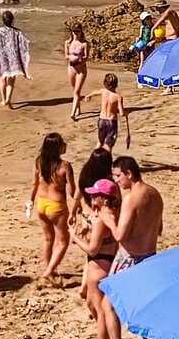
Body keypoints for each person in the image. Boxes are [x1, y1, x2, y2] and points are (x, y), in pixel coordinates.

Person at [100, 157, 164, 339]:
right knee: (146, 305)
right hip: (150, 255)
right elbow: (159, 228)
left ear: (129, 174)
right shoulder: (154, 194)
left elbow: (120, 235)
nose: (117, 181)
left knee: (108, 304)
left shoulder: (131, 198)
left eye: (118, 176)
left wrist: (108, 219)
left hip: (129, 257)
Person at [28, 132, 75, 284]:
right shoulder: (65, 166)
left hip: (41, 203)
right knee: (63, 241)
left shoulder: (39, 162)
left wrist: (30, 201)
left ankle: (50, 269)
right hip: (56, 206)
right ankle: (48, 272)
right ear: (58, 148)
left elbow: (34, 184)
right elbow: (72, 191)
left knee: (48, 239)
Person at [81, 180, 121, 320]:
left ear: (104, 198)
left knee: (100, 314)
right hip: (107, 264)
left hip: (97, 268)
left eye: (95, 195)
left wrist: (75, 237)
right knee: (95, 307)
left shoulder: (101, 219)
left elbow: (92, 250)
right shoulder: (114, 214)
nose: (91, 197)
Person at [0, 10, 31, 108]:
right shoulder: (17, 32)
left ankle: (3, 100)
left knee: (2, 79)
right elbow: (25, 42)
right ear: (12, 20)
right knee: (11, 80)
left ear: (3, 20)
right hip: (13, 58)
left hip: (2, 58)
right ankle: (8, 100)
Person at [97, 74, 130, 150]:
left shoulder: (103, 91)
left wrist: (88, 95)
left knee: (99, 142)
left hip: (101, 119)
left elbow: (96, 92)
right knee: (108, 144)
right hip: (111, 121)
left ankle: (95, 159)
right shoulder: (118, 97)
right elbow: (121, 113)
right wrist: (126, 113)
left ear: (105, 83)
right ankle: (108, 160)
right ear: (116, 84)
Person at [65, 25, 89, 122]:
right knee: (74, 89)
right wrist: (71, 57)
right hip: (71, 68)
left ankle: (73, 114)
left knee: (76, 91)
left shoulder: (84, 44)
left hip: (81, 69)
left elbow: (87, 56)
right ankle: (78, 108)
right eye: (74, 31)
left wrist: (79, 59)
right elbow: (66, 55)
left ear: (81, 32)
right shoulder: (68, 42)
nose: (75, 33)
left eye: (77, 31)